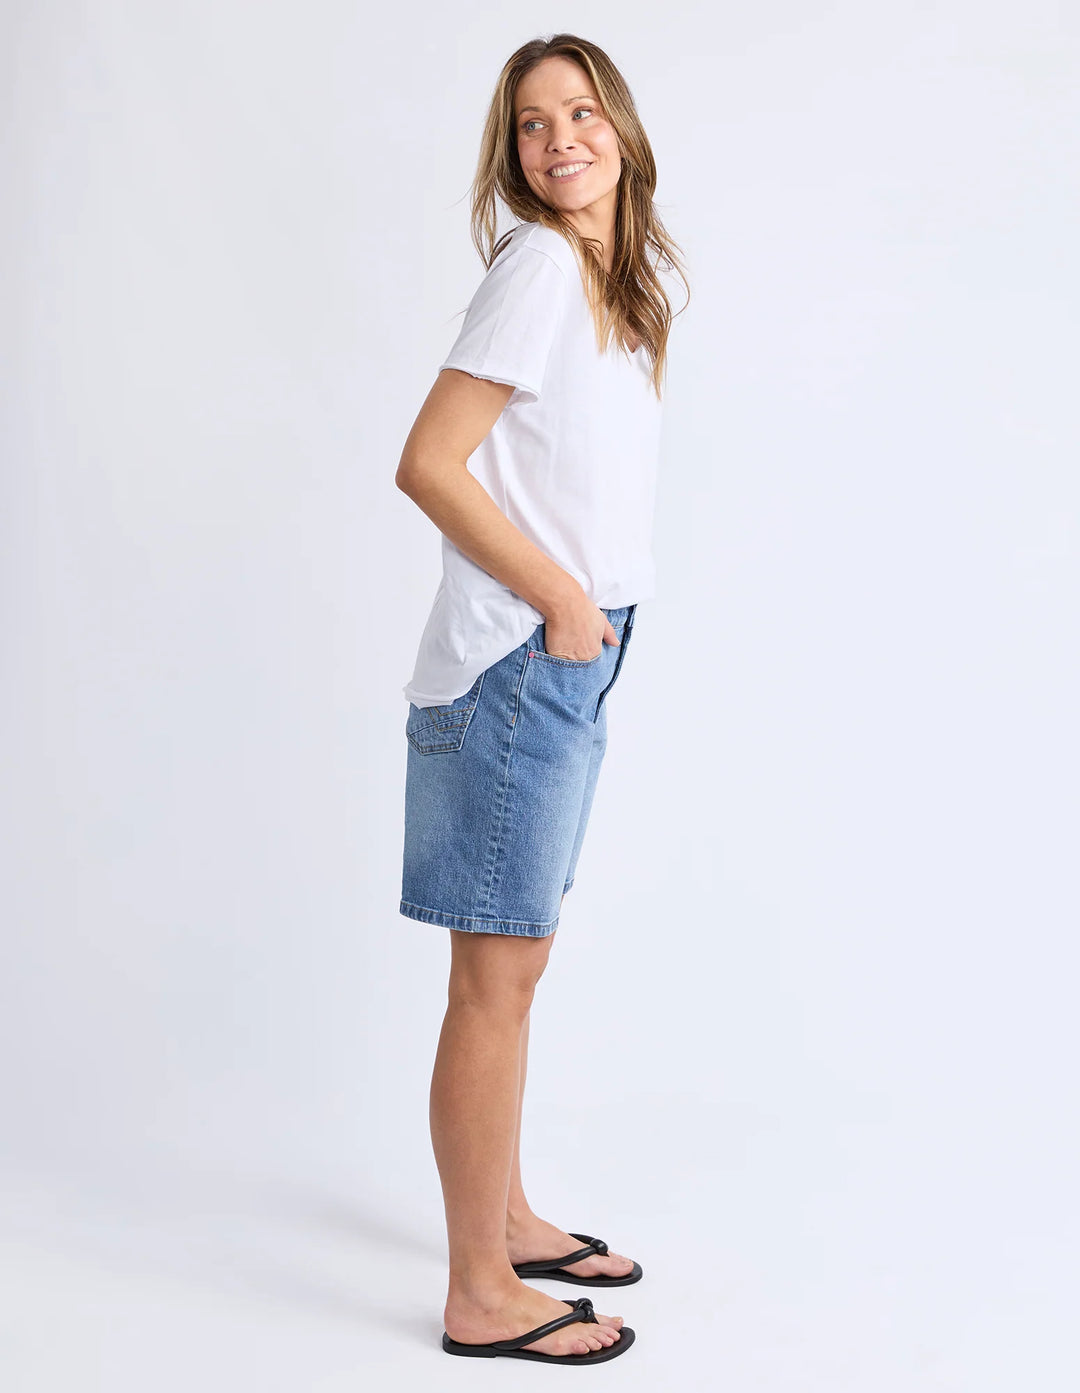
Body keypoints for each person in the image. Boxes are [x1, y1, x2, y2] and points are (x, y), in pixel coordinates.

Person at [395, 34, 687, 1366]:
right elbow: (429, 462)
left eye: (579, 112)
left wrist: (591, 618)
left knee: (515, 964)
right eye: (530, 123)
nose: (559, 139)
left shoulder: (615, 284)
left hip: (566, 654)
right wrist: (565, 602)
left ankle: (506, 1221)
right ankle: (479, 1290)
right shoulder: (539, 268)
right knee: (494, 980)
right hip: (522, 656)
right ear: (510, 155)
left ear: (620, 125)